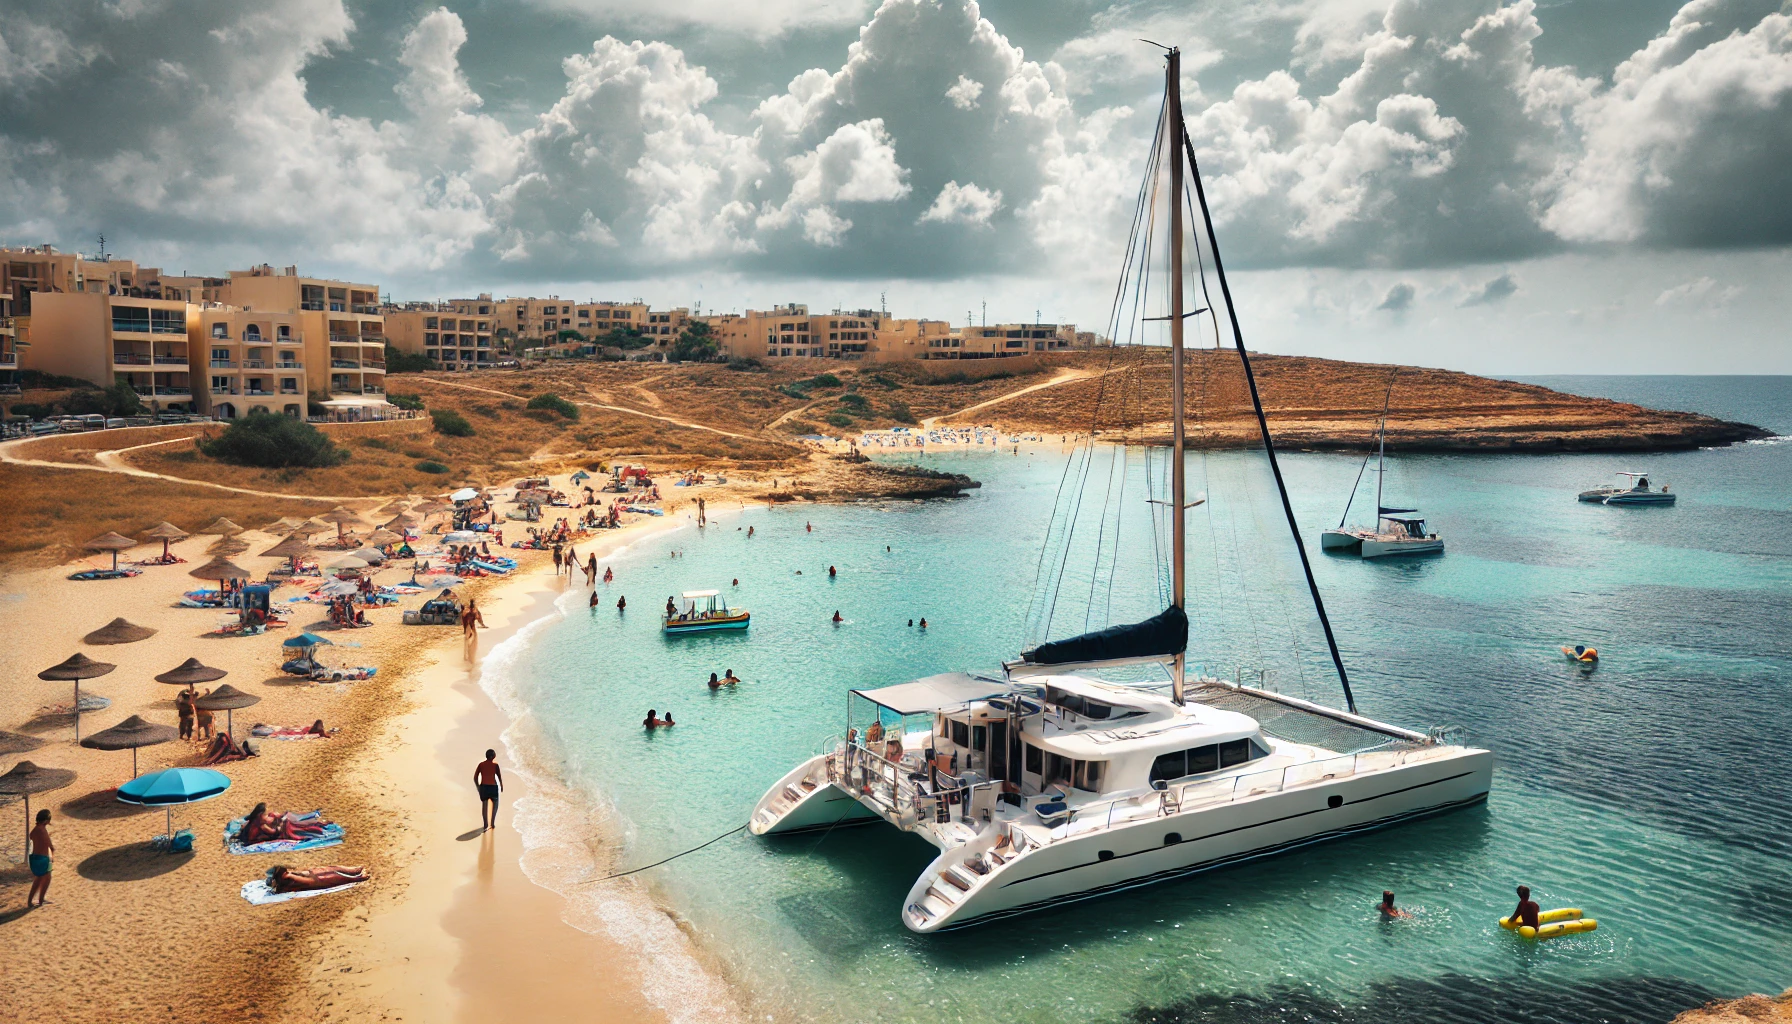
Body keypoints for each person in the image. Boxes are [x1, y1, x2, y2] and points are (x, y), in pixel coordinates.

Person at [267, 864, 369, 893]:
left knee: (333, 868)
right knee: (335, 876)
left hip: (313, 874)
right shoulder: (287, 884)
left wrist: (312, 871)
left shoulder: (287, 877)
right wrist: (291, 875)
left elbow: (304, 873)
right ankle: (359, 877)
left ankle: (354, 870)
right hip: (316, 881)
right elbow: (310, 882)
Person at [27, 809, 53, 907]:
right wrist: (52, 856)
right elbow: (50, 845)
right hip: (43, 859)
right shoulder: (42, 830)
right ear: (46, 820)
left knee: (38, 879)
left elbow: (31, 837)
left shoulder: (35, 829)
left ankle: (30, 901)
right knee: (47, 878)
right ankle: (41, 901)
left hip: (34, 858)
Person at [475, 749, 503, 831]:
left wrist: (478, 787)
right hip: (493, 787)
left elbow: (475, 777)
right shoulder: (495, 765)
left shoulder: (481, 764)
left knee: (484, 806)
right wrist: (501, 785)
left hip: (484, 787)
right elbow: (499, 776)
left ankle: (485, 824)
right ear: (494, 756)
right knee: (495, 804)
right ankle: (492, 823)